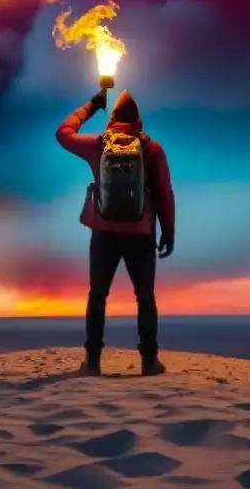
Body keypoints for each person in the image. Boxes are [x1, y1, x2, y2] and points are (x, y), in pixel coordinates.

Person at [56, 89, 175, 376]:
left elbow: (63, 133)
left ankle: (93, 361)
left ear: (112, 118)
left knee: (98, 294)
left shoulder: (99, 145)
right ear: (138, 120)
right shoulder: (152, 149)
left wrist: (90, 106)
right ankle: (149, 362)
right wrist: (168, 233)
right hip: (141, 233)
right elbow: (164, 194)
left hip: (104, 232)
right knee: (145, 297)